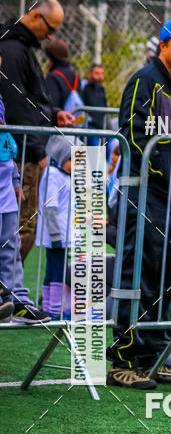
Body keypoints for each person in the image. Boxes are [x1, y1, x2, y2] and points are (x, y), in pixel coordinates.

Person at [106, 17, 171, 389]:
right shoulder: (145, 81)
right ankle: (123, 359)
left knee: (168, 281)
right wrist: (159, 176)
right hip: (148, 197)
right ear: (163, 44)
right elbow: (132, 133)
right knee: (140, 277)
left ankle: (155, 356)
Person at [0, 0, 75, 260]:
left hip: (25, 151)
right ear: (34, 16)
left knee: (21, 228)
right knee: (21, 229)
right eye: (50, 28)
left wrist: (54, 115)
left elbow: (30, 102)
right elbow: (14, 107)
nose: (51, 36)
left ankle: (9, 292)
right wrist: (36, 150)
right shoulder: (11, 51)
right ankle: (6, 290)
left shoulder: (21, 49)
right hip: (20, 156)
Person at [0, 55, 50, 323]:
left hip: (4, 186)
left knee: (10, 243)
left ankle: (16, 299)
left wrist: (16, 180)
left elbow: (6, 140)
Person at [35, 136, 72, 319]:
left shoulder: (63, 175)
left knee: (53, 269)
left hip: (60, 234)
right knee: (57, 271)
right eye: (72, 159)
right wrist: (56, 235)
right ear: (63, 157)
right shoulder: (53, 175)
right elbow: (51, 206)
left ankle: (49, 308)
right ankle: (56, 311)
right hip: (57, 234)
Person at [45, 39, 83, 116]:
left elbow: (51, 105)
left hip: (60, 121)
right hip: (73, 121)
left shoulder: (53, 77)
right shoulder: (75, 76)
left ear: (52, 58)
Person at [81, 63, 108, 133]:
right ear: (89, 74)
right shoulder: (84, 87)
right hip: (89, 127)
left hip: (102, 127)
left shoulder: (102, 90)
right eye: (97, 73)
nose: (100, 77)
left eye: (102, 74)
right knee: (94, 142)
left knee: (115, 141)